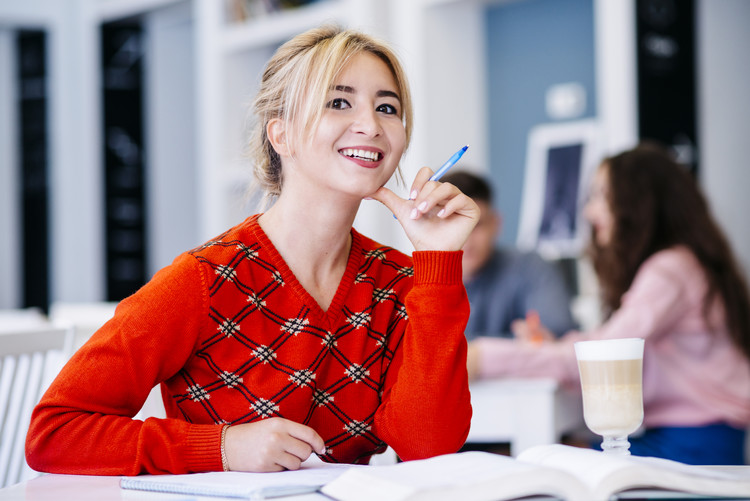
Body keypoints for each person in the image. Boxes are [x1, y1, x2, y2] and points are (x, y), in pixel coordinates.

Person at [26, 26, 479, 475]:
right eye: (339, 102)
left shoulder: (402, 281)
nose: (372, 125)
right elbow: (55, 432)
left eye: (387, 107)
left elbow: (427, 447)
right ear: (280, 136)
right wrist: (222, 448)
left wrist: (438, 262)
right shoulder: (203, 280)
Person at [467, 142, 750, 465]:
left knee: (539, 464)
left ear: (638, 202)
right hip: (697, 434)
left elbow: (604, 355)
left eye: (600, 195)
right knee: (543, 459)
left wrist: (482, 358)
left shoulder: (669, 272)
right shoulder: (681, 264)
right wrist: (556, 346)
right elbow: (606, 343)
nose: (588, 212)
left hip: (693, 443)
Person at [439, 170, 576, 340]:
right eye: (453, 225)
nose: (466, 239)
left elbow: (555, 336)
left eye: (476, 225)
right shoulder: (416, 283)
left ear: (496, 224)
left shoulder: (531, 268)